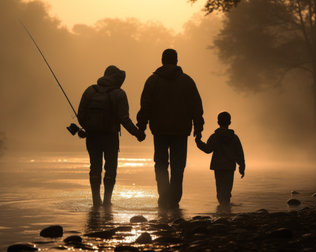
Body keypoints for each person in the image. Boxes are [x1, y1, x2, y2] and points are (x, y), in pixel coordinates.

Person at [137, 49, 204, 209]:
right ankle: (174, 200)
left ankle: (163, 197)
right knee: (178, 166)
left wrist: (141, 127)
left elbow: (145, 106)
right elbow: (197, 106)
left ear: (162, 60)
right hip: (181, 131)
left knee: (160, 164)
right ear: (176, 60)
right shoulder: (187, 81)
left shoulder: (152, 81)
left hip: (159, 130)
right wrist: (198, 128)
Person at [78, 65, 145, 207]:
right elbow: (124, 119)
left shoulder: (90, 91)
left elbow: (81, 114)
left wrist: (87, 128)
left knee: (94, 168)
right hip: (110, 137)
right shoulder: (119, 93)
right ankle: (107, 202)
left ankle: (96, 201)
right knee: (111, 169)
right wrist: (137, 133)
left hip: (92, 136)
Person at [195, 112, 245, 209]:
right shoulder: (234, 138)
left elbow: (207, 149)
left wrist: (198, 142)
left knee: (220, 189)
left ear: (218, 122)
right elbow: (239, 154)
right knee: (227, 189)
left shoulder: (215, 137)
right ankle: (227, 209)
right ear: (229, 122)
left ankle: (222, 209)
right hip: (229, 167)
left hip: (218, 167)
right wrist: (242, 166)